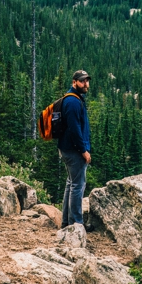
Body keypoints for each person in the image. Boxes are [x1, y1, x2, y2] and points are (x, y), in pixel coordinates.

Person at [58, 69, 91, 228]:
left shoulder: (75, 99)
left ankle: (66, 222)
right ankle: (76, 223)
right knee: (77, 186)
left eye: (87, 81)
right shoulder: (72, 102)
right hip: (74, 150)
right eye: (82, 81)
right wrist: (83, 150)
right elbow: (74, 129)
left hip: (68, 149)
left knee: (71, 184)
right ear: (74, 82)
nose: (86, 84)